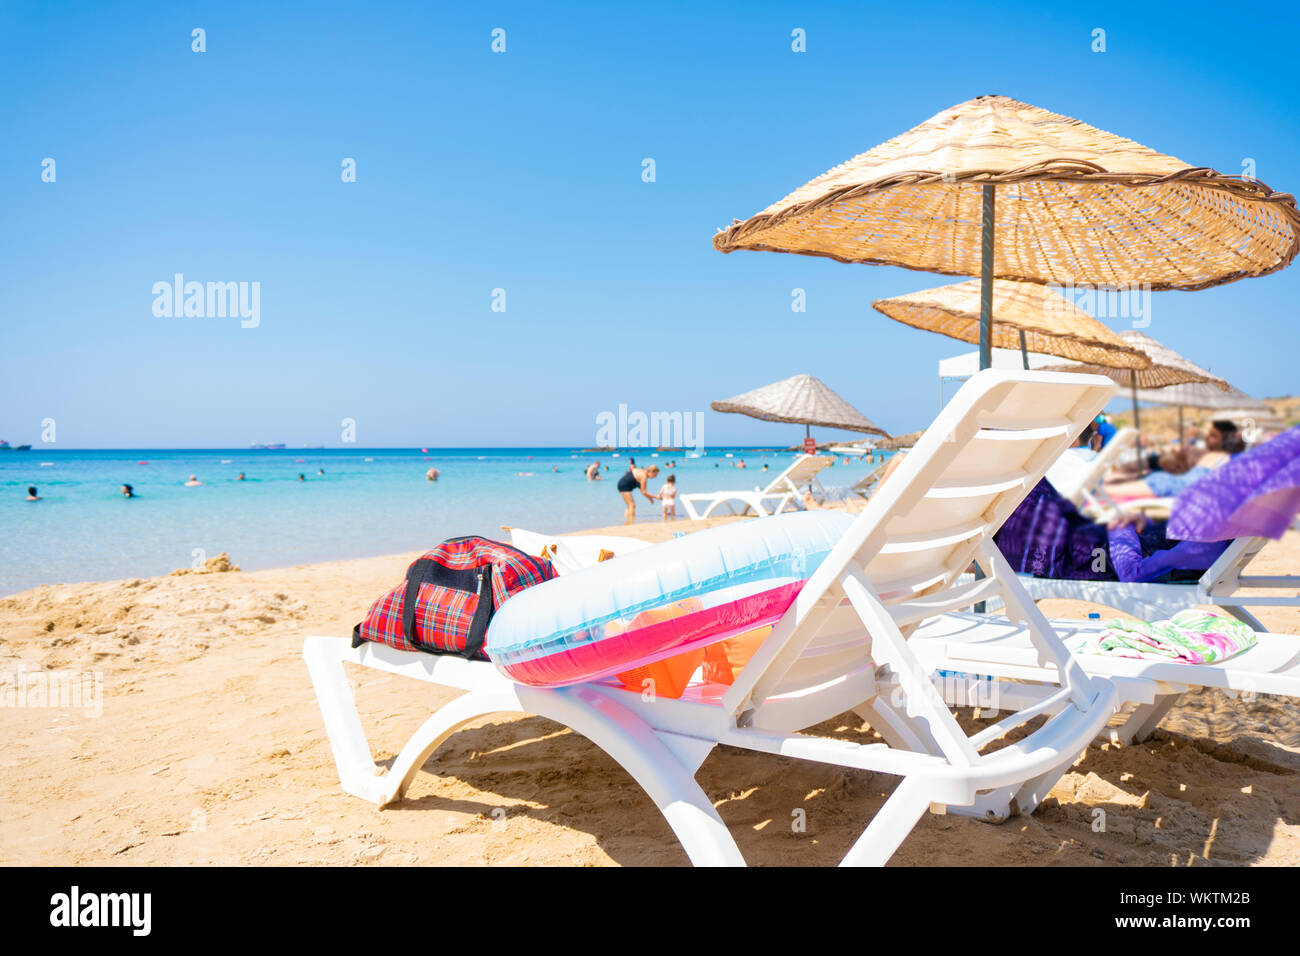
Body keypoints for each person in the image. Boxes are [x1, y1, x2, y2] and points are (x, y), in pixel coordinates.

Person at [1106, 419, 1245, 499]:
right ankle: (1103, 489)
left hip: (1175, 486)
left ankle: (1101, 490)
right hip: (1174, 483)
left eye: (1214, 436)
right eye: (1209, 435)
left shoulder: (1224, 457)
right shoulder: (1218, 456)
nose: (1208, 438)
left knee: (1109, 492)